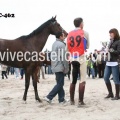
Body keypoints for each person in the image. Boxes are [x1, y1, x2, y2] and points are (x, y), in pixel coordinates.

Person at [67, 18, 90, 105]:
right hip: (81, 57)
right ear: (81, 24)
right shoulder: (85, 33)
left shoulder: (69, 34)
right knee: (82, 80)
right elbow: (87, 46)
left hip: (73, 57)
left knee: (73, 80)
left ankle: (72, 100)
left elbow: (67, 48)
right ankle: (80, 101)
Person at [44, 32, 69, 103]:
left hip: (55, 65)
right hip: (60, 66)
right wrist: (66, 68)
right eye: (63, 36)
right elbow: (64, 58)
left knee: (59, 83)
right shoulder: (62, 45)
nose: (64, 37)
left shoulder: (54, 44)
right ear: (60, 36)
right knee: (60, 84)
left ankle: (61, 99)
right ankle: (49, 97)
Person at [104, 28, 120, 100]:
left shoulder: (118, 41)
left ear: (115, 33)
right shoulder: (110, 41)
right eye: (109, 33)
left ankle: (117, 95)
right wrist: (106, 51)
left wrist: (111, 50)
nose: (110, 34)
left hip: (115, 62)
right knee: (105, 77)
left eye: (111, 33)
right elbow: (109, 50)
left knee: (116, 79)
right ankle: (110, 93)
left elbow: (118, 52)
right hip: (108, 62)